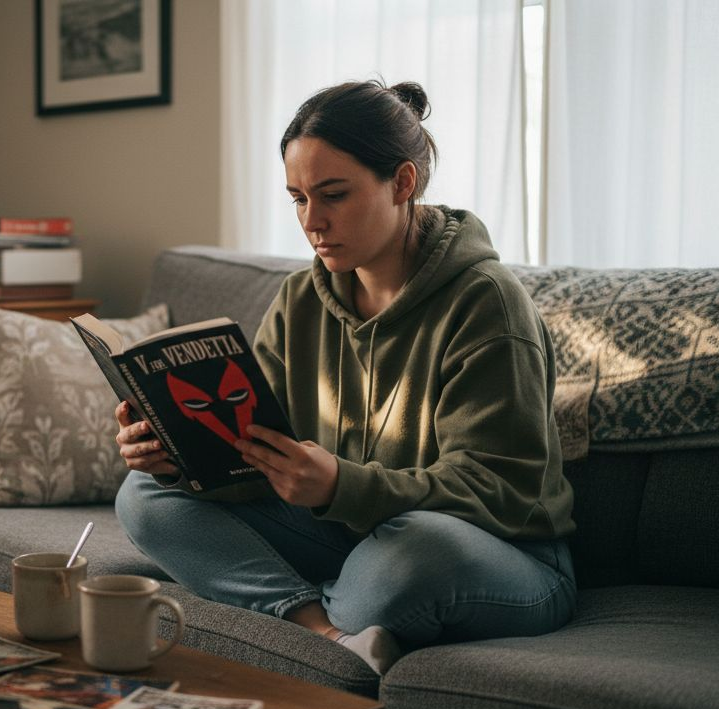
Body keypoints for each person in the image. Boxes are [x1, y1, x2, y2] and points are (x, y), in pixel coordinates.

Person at [113, 80, 576, 674]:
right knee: (145, 496)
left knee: (412, 554)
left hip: (502, 554)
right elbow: (260, 453)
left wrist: (340, 487)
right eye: (298, 199)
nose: (312, 221)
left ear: (403, 183)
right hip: (349, 536)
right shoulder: (300, 300)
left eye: (333, 195)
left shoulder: (487, 304)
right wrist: (178, 458)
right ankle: (324, 629)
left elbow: (498, 491)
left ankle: (331, 605)